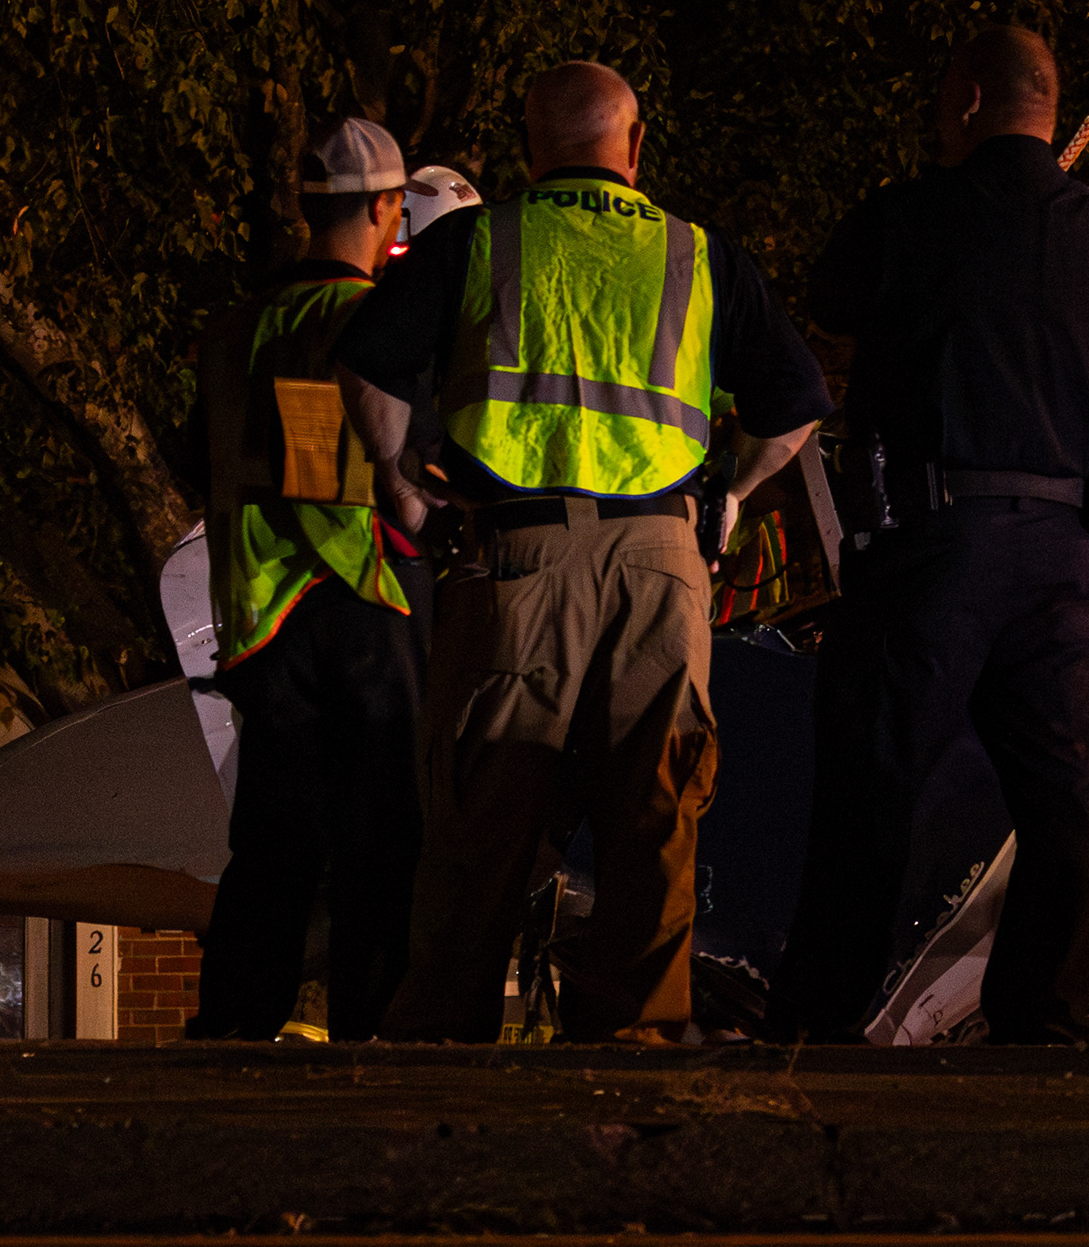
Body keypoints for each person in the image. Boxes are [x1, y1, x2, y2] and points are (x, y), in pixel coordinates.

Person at [334, 63, 826, 1043]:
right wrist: (727, 491)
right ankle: (631, 1071)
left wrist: (403, 487)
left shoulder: (479, 241)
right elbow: (797, 401)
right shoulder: (697, 256)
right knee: (656, 828)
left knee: (480, 836)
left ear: (528, 146)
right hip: (660, 569)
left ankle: (441, 1076)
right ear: (635, 147)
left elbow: (371, 359)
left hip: (514, 570)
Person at [767, 26, 1089, 1045]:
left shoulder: (912, 215)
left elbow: (832, 298)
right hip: (1075, 552)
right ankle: (1042, 1021)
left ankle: (817, 1019)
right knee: (1060, 796)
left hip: (941, 543)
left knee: (873, 781)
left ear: (971, 100)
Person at [183, 118, 427, 1041]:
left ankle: (233, 1029)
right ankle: (374, 1034)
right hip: (362, 596)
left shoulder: (236, 325)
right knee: (381, 845)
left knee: (274, 845)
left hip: (259, 612)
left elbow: (195, 453)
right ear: (383, 207)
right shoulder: (374, 317)